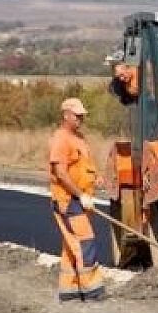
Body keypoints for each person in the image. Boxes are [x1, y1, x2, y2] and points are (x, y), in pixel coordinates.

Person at [48, 97, 105, 302]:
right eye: (77, 115)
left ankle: (69, 289)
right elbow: (61, 173)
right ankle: (92, 290)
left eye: (82, 115)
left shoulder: (79, 138)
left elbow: (84, 165)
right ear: (66, 115)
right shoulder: (60, 139)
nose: (81, 118)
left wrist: (95, 177)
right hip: (68, 200)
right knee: (85, 242)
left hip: (81, 199)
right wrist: (79, 195)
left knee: (72, 245)